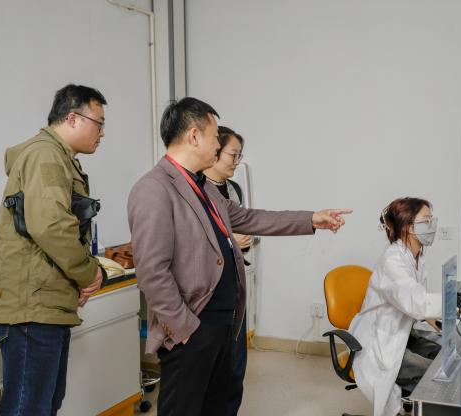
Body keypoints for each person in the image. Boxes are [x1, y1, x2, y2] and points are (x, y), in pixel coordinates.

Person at [128, 97, 351, 416]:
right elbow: (152, 272)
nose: (218, 144)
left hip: (222, 325)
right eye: (214, 136)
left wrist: (312, 219)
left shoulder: (204, 188)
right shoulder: (154, 188)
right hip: (192, 330)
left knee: (216, 407)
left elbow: (251, 218)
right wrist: (185, 328)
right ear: (194, 136)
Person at [0, 84, 107, 416]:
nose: (102, 133)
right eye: (98, 123)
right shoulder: (46, 155)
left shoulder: (58, 158)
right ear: (73, 118)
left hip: (44, 304)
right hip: (31, 307)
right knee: (28, 407)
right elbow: (51, 226)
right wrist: (89, 274)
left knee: (43, 404)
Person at [348, 197, 442, 416]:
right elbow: (417, 302)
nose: (432, 225)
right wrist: (454, 303)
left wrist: (439, 321)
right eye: (426, 220)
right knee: (435, 376)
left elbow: (415, 300)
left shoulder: (416, 257)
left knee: (443, 357)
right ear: (409, 226)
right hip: (380, 341)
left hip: (403, 332)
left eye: (432, 219)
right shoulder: (393, 260)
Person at [203, 125, 251, 416]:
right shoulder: (196, 190)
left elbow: (247, 222)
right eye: (233, 155)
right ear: (214, 151)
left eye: (239, 155)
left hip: (235, 287)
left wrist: (243, 242)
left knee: (236, 367)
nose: (237, 161)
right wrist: (232, 241)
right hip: (210, 292)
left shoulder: (234, 189)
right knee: (212, 372)